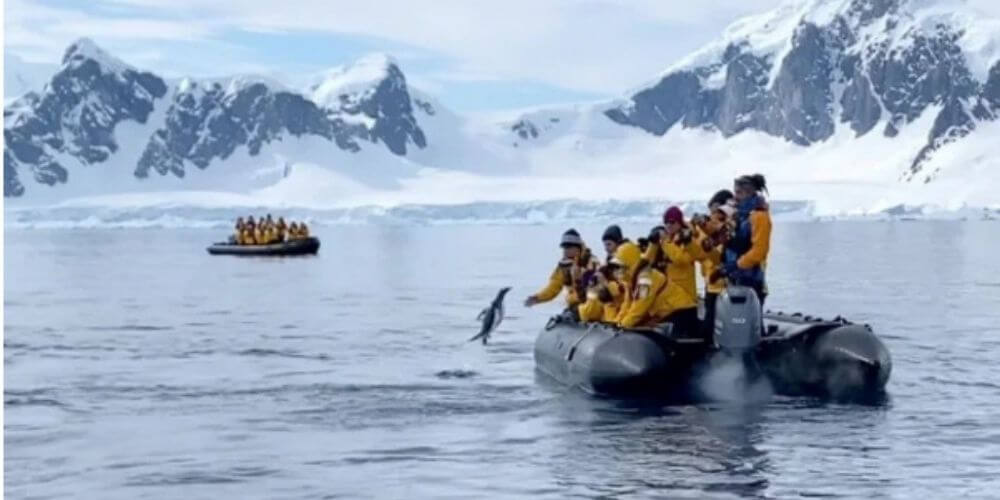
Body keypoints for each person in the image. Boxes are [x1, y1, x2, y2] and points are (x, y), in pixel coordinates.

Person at [639, 206, 701, 336]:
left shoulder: (687, 239)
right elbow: (647, 261)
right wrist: (653, 243)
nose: (669, 225)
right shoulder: (667, 240)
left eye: (672, 222)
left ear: (679, 222)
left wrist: (664, 243)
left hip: (686, 297)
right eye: (666, 222)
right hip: (670, 298)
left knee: (687, 335)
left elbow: (681, 259)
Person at [722, 174, 772, 305]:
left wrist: (737, 264)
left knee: (750, 321)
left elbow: (759, 250)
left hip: (751, 280)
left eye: (739, 193)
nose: (735, 197)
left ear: (749, 193)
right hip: (737, 278)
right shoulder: (740, 216)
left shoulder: (759, 216)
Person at [525, 229, 599, 311]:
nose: (566, 250)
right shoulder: (563, 266)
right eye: (564, 247)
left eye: (569, 247)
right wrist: (537, 298)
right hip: (574, 306)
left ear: (578, 247)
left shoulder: (591, 263)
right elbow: (553, 287)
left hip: (591, 306)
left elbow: (595, 290)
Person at [696, 190, 735, 337]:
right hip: (711, 284)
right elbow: (700, 254)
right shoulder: (708, 230)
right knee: (710, 321)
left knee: (713, 322)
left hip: (723, 285)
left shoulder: (727, 229)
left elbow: (720, 257)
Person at [614, 239, 668, 328]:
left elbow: (638, 311)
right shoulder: (629, 280)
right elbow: (627, 305)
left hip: (676, 313)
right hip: (659, 314)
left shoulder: (646, 279)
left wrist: (622, 327)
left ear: (628, 263)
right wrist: (615, 324)